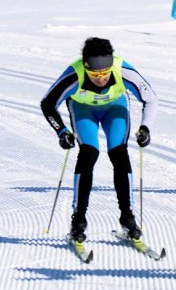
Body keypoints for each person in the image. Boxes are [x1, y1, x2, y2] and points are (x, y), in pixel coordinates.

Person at [40, 37, 158, 246]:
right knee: (88, 154)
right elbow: (48, 104)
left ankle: (127, 217)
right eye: (95, 74)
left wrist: (145, 127)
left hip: (115, 107)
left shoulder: (123, 70)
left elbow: (151, 98)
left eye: (105, 73)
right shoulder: (74, 74)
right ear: (86, 67)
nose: (101, 79)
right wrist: (62, 131)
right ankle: (79, 219)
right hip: (84, 109)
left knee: (119, 153)